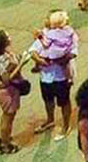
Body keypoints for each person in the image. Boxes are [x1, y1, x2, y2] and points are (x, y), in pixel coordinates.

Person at [32, 9, 78, 140]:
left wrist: (59, 60)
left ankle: (66, 125)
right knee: (48, 100)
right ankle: (50, 120)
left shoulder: (70, 34)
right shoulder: (44, 33)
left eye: (49, 18)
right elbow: (34, 50)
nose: (46, 21)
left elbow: (73, 51)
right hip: (46, 76)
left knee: (64, 101)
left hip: (61, 76)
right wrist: (39, 60)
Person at [0, 30, 25, 154]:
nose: (10, 37)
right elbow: (7, 80)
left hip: (1, 89)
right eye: (7, 36)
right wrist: (21, 65)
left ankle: (4, 137)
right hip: (6, 92)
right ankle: (5, 144)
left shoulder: (1, 54)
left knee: (7, 115)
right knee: (8, 117)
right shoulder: (1, 59)